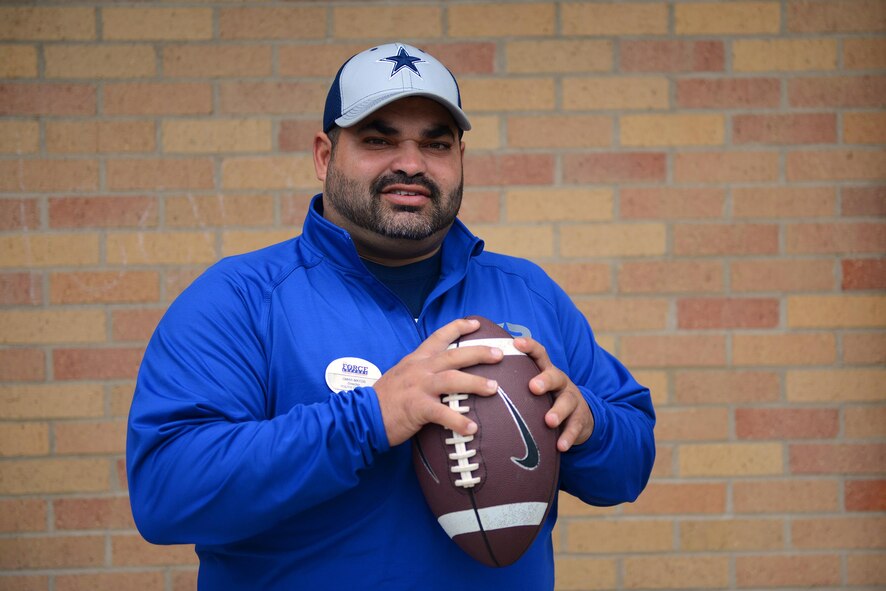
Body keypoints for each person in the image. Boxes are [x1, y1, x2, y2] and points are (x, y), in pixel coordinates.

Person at [126, 42, 655, 590]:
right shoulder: (239, 299)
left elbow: (630, 465)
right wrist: (368, 420)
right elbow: (166, 494)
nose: (411, 163)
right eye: (378, 140)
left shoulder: (528, 293)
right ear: (324, 156)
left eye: (436, 144)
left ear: (460, 159)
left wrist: (588, 425)